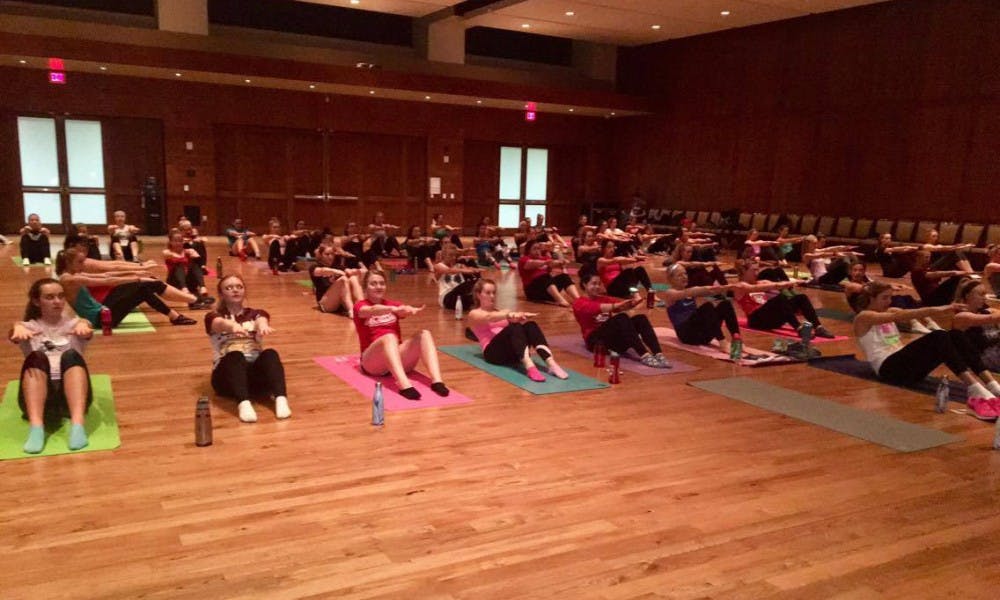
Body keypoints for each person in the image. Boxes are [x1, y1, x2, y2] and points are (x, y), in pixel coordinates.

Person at [852, 281, 1000, 417]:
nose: (889, 302)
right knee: (938, 336)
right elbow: (905, 314)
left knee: (955, 335)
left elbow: (910, 312)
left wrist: (929, 319)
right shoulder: (863, 317)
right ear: (871, 298)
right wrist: (940, 309)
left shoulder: (889, 311)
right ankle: (973, 387)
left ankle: (991, 384)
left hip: (907, 368)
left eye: (890, 297)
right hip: (889, 370)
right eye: (884, 298)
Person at [9, 279, 92, 453]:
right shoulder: (29, 327)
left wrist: (85, 325)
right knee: (37, 357)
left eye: (61, 296)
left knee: (71, 355)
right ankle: (36, 428)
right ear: (36, 301)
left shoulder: (75, 324)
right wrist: (16, 329)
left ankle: (78, 426)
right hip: (40, 400)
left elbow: (85, 325)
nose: (57, 301)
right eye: (50, 297)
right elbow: (15, 332)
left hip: (71, 398)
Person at [353, 270, 450, 400]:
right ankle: (404, 385)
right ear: (366, 287)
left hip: (397, 358)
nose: (378, 287)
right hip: (372, 363)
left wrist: (409, 310)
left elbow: (403, 310)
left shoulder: (393, 304)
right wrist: (393, 309)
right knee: (389, 337)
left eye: (382, 283)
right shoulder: (360, 305)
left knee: (424, 334)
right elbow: (370, 310)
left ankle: (437, 381)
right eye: (373, 284)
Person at [206, 275, 290, 422]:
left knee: (270, 353)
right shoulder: (213, 316)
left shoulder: (255, 313)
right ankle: (243, 403)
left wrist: (262, 326)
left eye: (239, 287)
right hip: (227, 378)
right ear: (221, 294)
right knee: (235, 355)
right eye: (229, 288)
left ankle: (281, 399)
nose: (235, 290)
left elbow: (261, 319)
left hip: (254, 376)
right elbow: (219, 324)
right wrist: (232, 326)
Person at [57, 247, 198, 327]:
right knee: (143, 288)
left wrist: (137, 274)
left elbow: (106, 276)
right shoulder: (70, 279)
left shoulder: (69, 276)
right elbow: (108, 280)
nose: (83, 265)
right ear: (68, 263)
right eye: (80, 262)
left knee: (143, 286)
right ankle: (175, 316)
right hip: (102, 320)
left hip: (102, 310)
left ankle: (174, 315)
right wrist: (138, 278)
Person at [467, 278, 568, 382]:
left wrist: (522, 316)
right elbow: (489, 317)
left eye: (494, 293)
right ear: (478, 295)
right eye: (488, 293)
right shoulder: (474, 314)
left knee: (530, 325)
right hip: (493, 355)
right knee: (513, 326)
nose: (492, 296)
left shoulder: (502, 311)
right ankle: (530, 367)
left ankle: (551, 363)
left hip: (513, 354)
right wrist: (509, 315)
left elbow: (509, 318)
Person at [572, 270, 670, 368]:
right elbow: (600, 308)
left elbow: (621, 306)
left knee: (641, 318)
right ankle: (644, 355)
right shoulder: (579, 303)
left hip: (613, 341)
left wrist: (631, 304)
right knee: (621, 318)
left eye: (599, 284)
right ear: (584, 284)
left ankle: (658, 353)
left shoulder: (603, 298)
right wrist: (617, 305)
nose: (597, 287)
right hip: (596, 343)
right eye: (593, 284)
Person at [733, 259, 834, 338]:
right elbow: (764, 287)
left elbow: (774, 284)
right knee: (780, 299)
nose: (757, 272)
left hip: (770, 319)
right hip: (756, 321)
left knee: (801, 298)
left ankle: (818, 327)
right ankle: (799, 328)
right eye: (754, 270)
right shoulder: (739, 286)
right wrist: (786, 284)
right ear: (744, 271)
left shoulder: (761, 282)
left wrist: (794, 282)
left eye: (757, 269)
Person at [661, 264, 743, 354]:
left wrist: (729, 287)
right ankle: (722, 342)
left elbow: (712, 293)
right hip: (688, 336)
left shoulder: (689, 291)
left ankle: (737, 340)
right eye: (680, 275)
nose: (684, 277)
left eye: (685, 274)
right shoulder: (669, 293)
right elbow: (687, 293)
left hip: (702, 334)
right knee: (706, 306)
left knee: (725, 304)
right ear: (671, 279)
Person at [843, 262, 938, 334]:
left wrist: (894, 285)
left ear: (864, 272)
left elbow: (875, 284)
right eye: (855, 270)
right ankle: (914, 322)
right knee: (897, 301)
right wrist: (889, 287)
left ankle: (929, 321)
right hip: (864, 310)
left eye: (860, 270)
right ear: (850, 272)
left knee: (907, 298)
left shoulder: (865, 281)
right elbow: (869, 288)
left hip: (874, 305)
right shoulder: (850, 285)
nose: (857, 273)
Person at [951, 278, 1000, 373]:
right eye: (981, 294)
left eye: (985, 294)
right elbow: (992, 318)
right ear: (967, 295)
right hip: (982, 359)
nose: (985, 298)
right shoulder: (961, 317)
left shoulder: (987, 311)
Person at [518, 239, 580, 307]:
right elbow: (531, 263)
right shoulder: (524, 259)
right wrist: (546, 262)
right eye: (534, 249)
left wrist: (561, 262)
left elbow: (553, 263)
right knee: (544, 277)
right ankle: (560, 300)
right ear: (528, 251)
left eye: (538, 248)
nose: (537, 251)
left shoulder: (545, 258)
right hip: (533, 291)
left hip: (546, 290)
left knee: (564, 277)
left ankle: (578, 300)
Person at [163, 231, 214, 310]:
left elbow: (199, 260)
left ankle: (202, 288)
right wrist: (188, 252)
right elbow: (175, 257)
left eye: (180, 241)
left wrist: (195, 254)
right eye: (175, 241)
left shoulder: (188, 251)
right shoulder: (167, 252)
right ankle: (185, 289)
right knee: (179, 265)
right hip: (175, 282)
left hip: (189, 282)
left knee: (194, 265)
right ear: (170, 242)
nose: (178, 243)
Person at [310, 244, 363, 316]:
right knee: (343, 280)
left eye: (332, 254)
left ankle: (362, 307)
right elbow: (321, 271)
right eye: (327, 254)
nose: (330, 257)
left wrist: (357, 271)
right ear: (321, 255)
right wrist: (336, 271)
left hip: (338, 303)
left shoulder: (337, 266)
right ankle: (351, 310)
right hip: (325, 303)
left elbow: (349, 271)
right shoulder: (314, 266)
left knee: (353, 278)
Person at [908, 250, 974, 307]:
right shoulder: (916, 271)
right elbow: (936, 274)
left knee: (957, 255)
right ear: (917, 258)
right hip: (931, 300)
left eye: (929, 257)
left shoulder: (925, 269)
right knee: (957, 278)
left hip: (936, 295)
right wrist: (964, 272)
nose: (928, 259)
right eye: (926, 257)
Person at [432, 246, 480, 310]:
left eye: (455, 255)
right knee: (465, 287)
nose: (453, 258)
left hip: (460, 296)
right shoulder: (438, 266)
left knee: (477, 282)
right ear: (444, 255)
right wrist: (467, 270)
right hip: (447, 297)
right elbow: (449, 271)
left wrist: (473, 270)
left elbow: (469, 270)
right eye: (451, 255)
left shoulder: (459, 265)